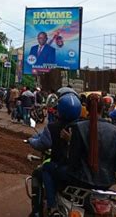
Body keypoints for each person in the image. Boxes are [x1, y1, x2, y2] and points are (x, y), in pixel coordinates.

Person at [27, 88, 80, 216]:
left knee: (44, 169)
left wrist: (30, 141)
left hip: (63, 168)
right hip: (81, 171)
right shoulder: (84, 126)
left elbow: (42, 144)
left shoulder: (52, 127)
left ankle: (47, 207)